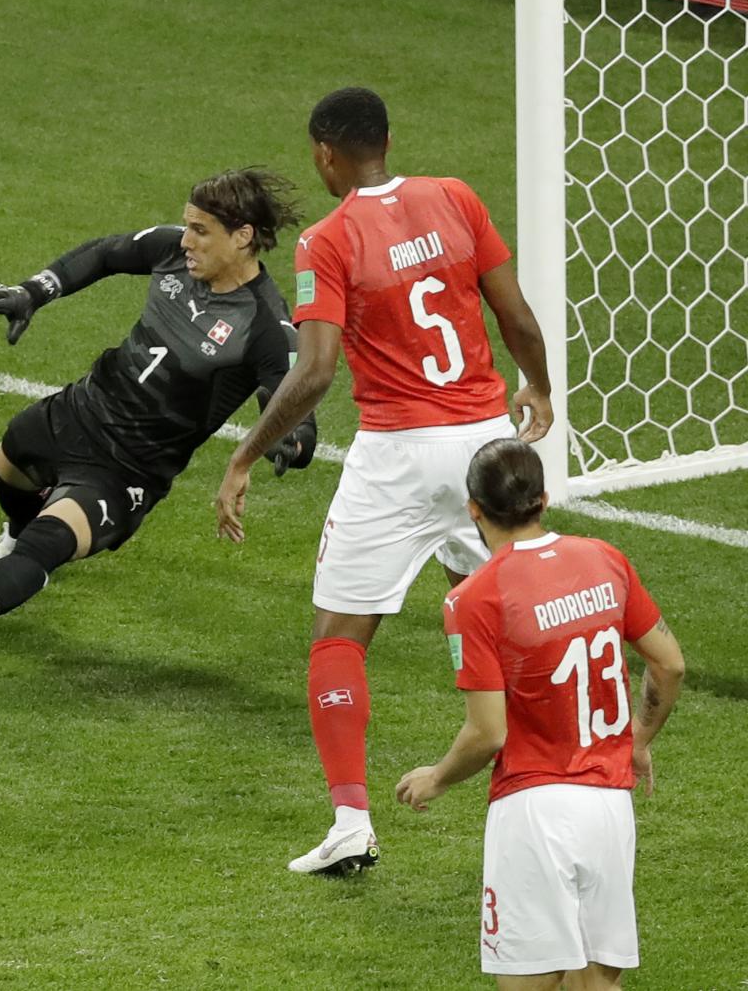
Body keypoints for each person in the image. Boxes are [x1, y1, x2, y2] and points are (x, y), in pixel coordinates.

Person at [216, 85, 556, 874]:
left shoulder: (325, 242)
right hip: (484, 440)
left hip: (399, 455)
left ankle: (351, 822)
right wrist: (535, 384)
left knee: (339, 639)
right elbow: (516, 316)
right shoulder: (457, 199)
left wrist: (242, 455)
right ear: (389, 140)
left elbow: (315, 371)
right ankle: (560, 769)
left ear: (324, 154)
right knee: (526, 615)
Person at [0, 169, 319, 644]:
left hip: (128, 468)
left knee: (48, 544)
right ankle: (19, 532)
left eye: (201, 231)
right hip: (81, 410)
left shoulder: (265, 325)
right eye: (188, 226)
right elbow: (105, 254)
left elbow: (291, 401)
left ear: (243, 237)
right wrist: (33, 291)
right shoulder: (172, 255)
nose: (186, 241)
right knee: (0, 470)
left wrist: (295, 440)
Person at [396, 439, 683, 989]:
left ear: (473, 508)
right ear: (544, 498)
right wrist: (638, 740)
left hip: (533, 813)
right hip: (609, 806)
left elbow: (487, 732)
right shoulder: (605, 559)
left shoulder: (472, 600)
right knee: (597, 982)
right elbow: (669, 665)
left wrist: (436, 778)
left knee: (528, 982)